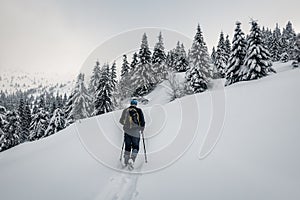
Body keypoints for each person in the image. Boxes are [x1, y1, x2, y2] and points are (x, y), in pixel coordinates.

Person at [119, 99, 145, 166]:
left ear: (130, 103)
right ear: (136, 104)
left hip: (127, 131)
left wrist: (126, 125)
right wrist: (142, 129)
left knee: (127, 146)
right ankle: (132, 159)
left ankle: (126, 160)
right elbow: (142, 121)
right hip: (136, 131)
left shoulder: (125, 110)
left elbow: (121, 121)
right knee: (135, 146)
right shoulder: (139, 110)